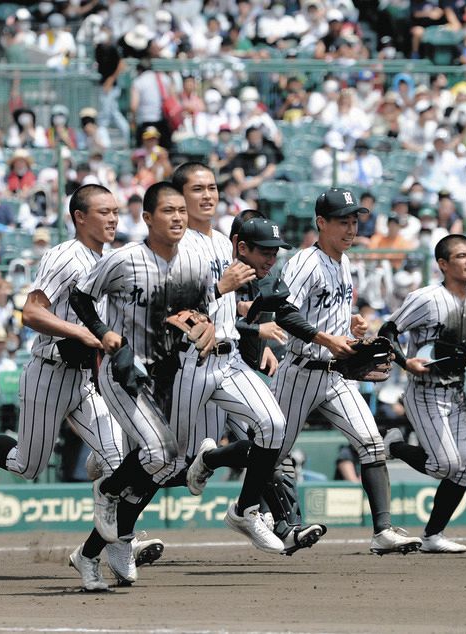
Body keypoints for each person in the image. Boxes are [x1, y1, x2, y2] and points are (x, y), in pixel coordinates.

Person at [0, 184, 159, 588]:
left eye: (115, 211)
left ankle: (110, 548)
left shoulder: (110, 260)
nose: (113, 218)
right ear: (80, 217)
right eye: (103, 212)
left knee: (119, 467)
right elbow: (30, 313)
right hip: (47, 369)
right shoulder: (64, 257)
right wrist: (83, 332)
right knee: (28, 465)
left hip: (84, 378)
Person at [64, 182, 204, 590]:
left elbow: (194, 313)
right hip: (122, 371)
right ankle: (107, 492)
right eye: (168, 211)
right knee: (159, 452)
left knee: (166, 465)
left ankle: (93, 552)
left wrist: (203, 326)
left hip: (167, 374)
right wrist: (103, 331)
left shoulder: (193, 261)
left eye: (182, 210)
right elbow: (80, 297)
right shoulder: (125, 258)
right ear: (147, 218)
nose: (178, 217)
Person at [269, 187, 422, 555]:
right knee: (271, 452)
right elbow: (283, 312)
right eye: (343, 221)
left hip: (335, 374)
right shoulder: (305, 262)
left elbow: (323, 308)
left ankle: (383, 531)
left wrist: (348, 323)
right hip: (301, 371)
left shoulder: (344, 261)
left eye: (355, 220)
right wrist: (325, 337)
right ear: (321, 223)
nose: (351, 228)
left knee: (371, 443)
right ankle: (273, 516)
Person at [190, 214, 329, 555]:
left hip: (239, 374)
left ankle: (284, 523)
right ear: (238, 244)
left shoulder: (263, 277)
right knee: (171, 465)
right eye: (263, 249)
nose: (271, 257)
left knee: (270, 446)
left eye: (274, 250)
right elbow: (211, 317)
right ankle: (121, 504)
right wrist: (255, 330)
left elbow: (275, 310)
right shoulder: (216, 269)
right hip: (201, 372)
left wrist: (266, 342)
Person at [164, 163, 285, 554]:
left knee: (273, 425)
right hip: (188, 363)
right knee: (166, 463)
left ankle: (245, 509)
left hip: (228, 360)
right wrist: (220, 288)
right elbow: (168, 310)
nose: (207, 195)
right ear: (178, 200)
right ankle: (115, 493)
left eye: (212, 187)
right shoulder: (173, 248)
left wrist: (253, 333)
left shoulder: (221, 242)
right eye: (197, 189)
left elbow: (226, 309)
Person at [379, 234, 466, 553]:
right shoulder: (425, 298)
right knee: (445, 464)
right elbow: (388, 331)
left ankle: (433, 536)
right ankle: (395, 444)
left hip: (456, 392)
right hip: (424, 390)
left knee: (463, 470)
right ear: (442, 264)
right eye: (461, 256)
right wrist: (405, 362)